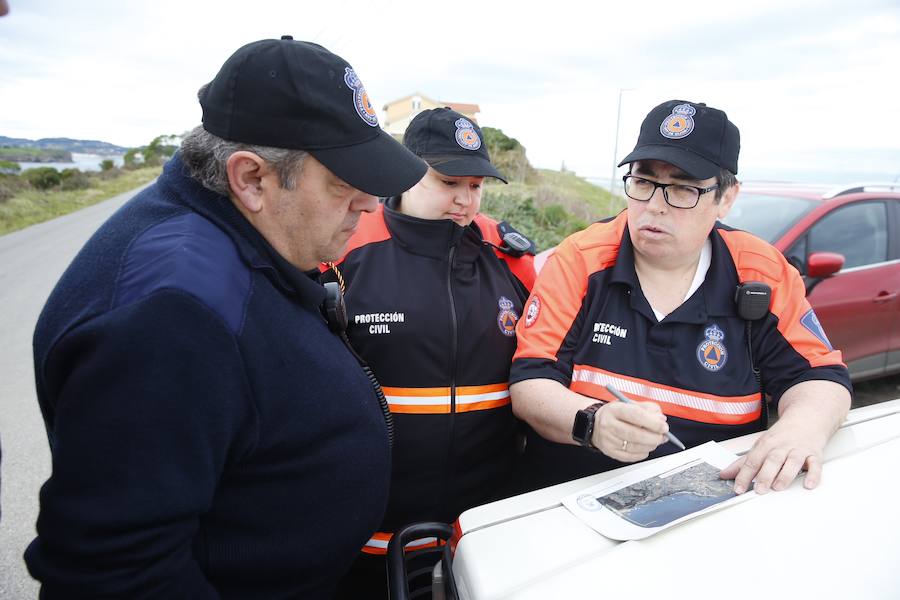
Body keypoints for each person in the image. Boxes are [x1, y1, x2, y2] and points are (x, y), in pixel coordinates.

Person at [25, 36, 426, 598]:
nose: (369, 203)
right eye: (345, 182)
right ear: (252, 178)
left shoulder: (242, 233)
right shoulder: (172, 314)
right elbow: (115, 571)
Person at [510, 99, 851, 495]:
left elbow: (820, 377)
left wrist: (801, 427)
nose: (654, 206)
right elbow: (530, 382)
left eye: (683, 189)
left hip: (715, 500)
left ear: (726, 198)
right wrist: (593, 422)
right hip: (568, 500)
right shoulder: (580, 259)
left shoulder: (761, 272)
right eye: (643, 182)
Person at [328, 107, 535, 598]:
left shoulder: (511, 259)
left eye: (476, 185)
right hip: (363, 537)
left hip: (480, 533)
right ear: (404, 171)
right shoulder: (343, 251)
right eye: (448, 182)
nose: (465, 200)